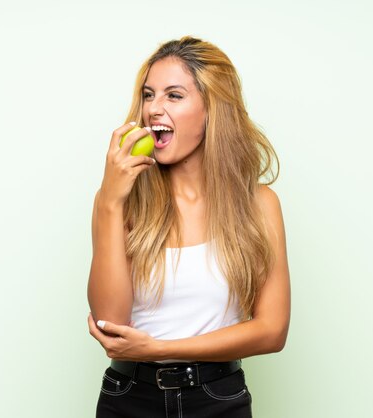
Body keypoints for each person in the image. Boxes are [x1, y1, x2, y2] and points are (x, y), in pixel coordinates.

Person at [87, 36, 291, 418]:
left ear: (213, 109)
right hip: (129, 397)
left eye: (174, 96)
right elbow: (111, 326)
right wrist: (111, 203)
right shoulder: (118, 202)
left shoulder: (259, 205)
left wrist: (160, 349)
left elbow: (272, 331)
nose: (153, 109)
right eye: (149, 95)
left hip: (218, 399)